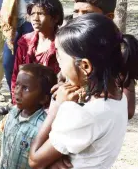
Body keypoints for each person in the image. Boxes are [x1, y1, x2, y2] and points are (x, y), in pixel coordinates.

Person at [29, 13, 138, 168]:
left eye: (60, 57)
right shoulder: (120, 98)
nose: (58, 63)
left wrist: (57, 107)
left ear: (85, 66)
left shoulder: (84, 115)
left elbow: (35, 160)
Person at [71, 0, 135, 120]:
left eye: (87, 12)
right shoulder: (73, 43)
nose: (79, 18)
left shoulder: (118, 49)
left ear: (109, 17)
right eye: (76, 12)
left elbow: (128, 110)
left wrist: (94, 106)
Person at [0, 64, 56, 169]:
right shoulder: (12, 113)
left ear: (43, 98)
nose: (17, 91)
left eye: (25, 88)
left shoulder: (43, 127)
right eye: (17, 85)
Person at [9, 0, 63, 104]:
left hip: (52, 103)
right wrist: (16, 101)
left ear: (55, 18)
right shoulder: (25, 41)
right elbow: (16, 75)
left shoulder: (63, 43)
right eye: (32, 14)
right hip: (27, 103)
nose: (35, 19)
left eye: (41, 14)